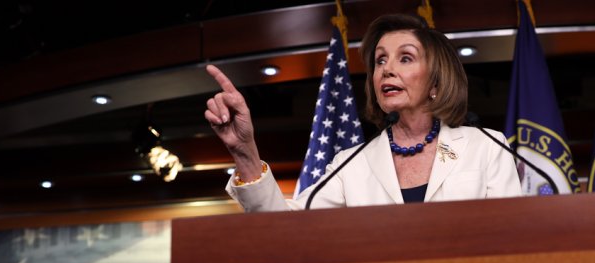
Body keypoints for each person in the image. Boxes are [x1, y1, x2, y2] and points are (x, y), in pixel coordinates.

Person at [205, 14, 522, 212]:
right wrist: (244, 151)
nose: (387, 70)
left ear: (436, 82)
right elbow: (286, 231)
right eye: (381, 61)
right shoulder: (349, 164)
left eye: (405, 58)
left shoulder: (486, 147)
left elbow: (514, 237)